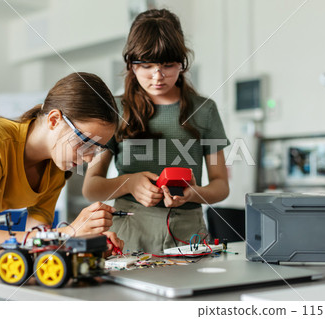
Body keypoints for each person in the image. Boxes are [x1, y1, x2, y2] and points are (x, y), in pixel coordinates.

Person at [0, 72, 124, 301]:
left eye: (98, 148)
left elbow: (36, 239)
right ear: (54, 120)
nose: (90, 158)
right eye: (85, 142)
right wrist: (70, 232)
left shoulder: (56, 170)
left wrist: (87, 242)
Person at [83, 9, 230, 253]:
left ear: (182, 63)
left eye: (168, 65)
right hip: (129, 230)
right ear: (131, 64)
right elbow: (91, 188)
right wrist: (129, 183)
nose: (157, 76)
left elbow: (221, 186)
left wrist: (193, 194)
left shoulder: (204, 110)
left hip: (188, 230)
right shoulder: (115, 110)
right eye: (147, 65)